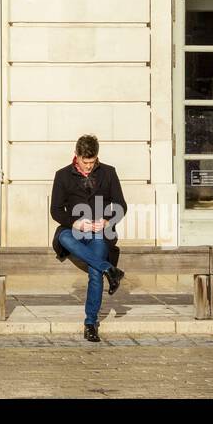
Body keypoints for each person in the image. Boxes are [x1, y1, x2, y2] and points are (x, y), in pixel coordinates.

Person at [50, 134, 127, 342]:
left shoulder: (109, 173)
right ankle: (109, 270)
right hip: (73, 231)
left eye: (92, 163)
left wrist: (107, 221)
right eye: (85, 163)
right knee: (64, 237)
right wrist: (75, 223)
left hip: (100, 233)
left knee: (94, 271)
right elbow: (56, 210)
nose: (89, 167)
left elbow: (121, 206)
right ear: (76, 156)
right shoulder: (62, 175)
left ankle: (90, 323)